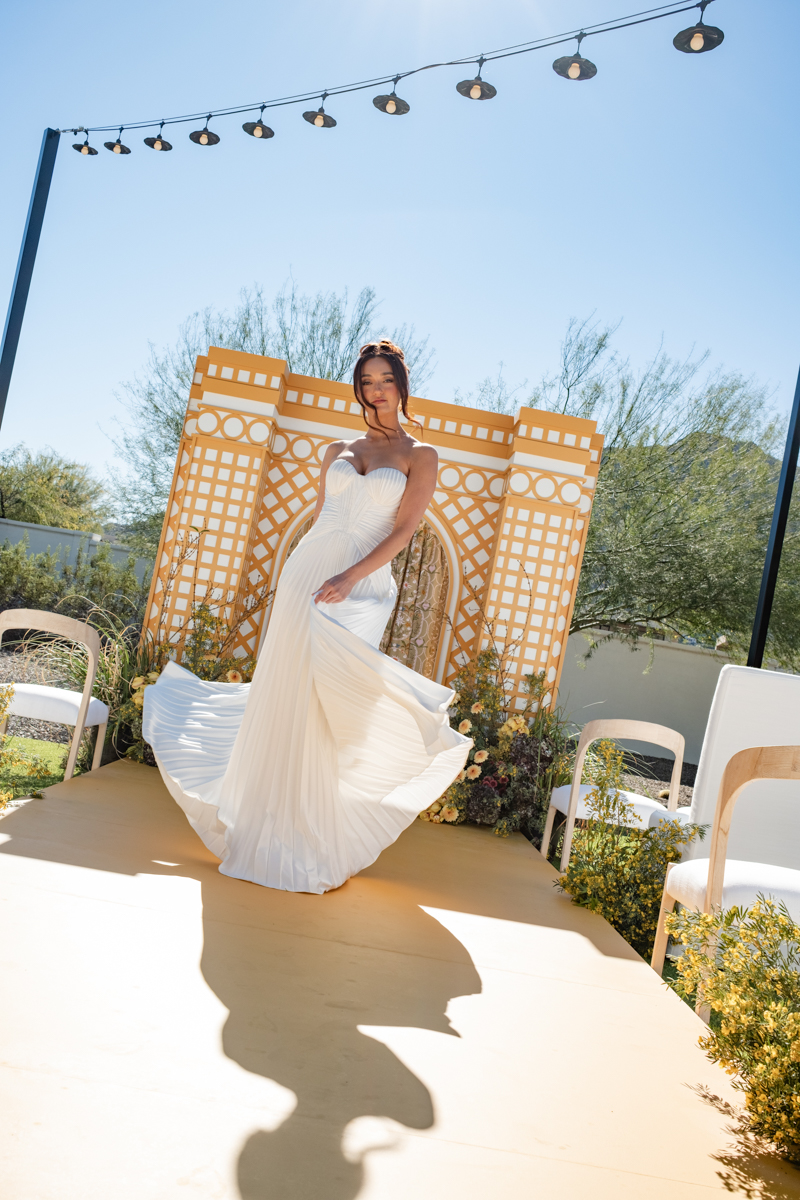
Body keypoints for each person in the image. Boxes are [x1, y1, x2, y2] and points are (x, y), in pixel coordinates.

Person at [144, 340, 471, 893]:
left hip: (361, 582)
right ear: (359, 388)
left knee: (328, 697)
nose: (376, 390)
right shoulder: (338, 448)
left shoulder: (422, 455)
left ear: (402, 384)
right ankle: (266, 823)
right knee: (288, 688)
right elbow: (325, 518)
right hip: (307, 572)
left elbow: (404, 531)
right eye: (367, 381)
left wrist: (349, 577)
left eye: (385, 379)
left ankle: (310, 832)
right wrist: (318, 571)